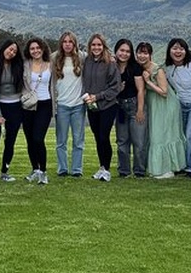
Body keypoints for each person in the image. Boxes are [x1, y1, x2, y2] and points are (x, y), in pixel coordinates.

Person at [137, 42, 185, 179]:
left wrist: (148, 82)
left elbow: (164, 92)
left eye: (145, 53)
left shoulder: (157, 70)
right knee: (154, 134)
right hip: (153, 104)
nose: (142, 56)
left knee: (163, 134)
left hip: (165, 104)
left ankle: (167, 168)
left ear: (150, 55)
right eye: (140, 52)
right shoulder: (139, 68)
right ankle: (156, 167)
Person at [82, 33, 121, 182]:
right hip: (92, 106)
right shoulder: (87, 61)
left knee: (104, 136)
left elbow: (115, 87)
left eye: (99, 45)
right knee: (98, 137)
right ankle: (101, 167)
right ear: (89, 47)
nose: (96, 47)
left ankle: (107, 169)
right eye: (93, 45)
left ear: (103, 46)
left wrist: (98, 96)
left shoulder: (110, 63)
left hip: (107, 105)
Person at [165, 38, 191, 177]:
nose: (178, 51)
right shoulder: (167, 68)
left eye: (181, 48)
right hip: (179, 105)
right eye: (175, 48)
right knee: (179, 136)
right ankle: (180, 164)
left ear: (186, 51)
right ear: (169, 51)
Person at [21, 38, 55, 184]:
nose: (35, 51)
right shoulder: (24, 65)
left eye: (38, 48)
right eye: (32, 49)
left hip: (45, 104)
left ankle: (43, 171)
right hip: (28, 106)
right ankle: (35, 169)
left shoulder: (51, 64)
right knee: (29, 140)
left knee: (38, 139)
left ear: (43, 49)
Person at [52, 31, 86, 177]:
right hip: (61, 105)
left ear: (74, 43)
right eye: (65, 41)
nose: (67, 44)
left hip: (78, 105)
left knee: (78, 140)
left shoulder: (82, 57)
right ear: (61, 43)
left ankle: (77, 169)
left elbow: (100, 55)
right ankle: (62, 169)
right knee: (61, 141)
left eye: (70, 41)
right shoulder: (54, 58)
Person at [0, 39, 25, 183]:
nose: (11, 53)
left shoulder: (18, 66)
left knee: (10, 142)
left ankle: (5, 172)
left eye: (15, 51)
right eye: (10, 49)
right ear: (4, 48)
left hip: (16, 107)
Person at [114, 38, 146, 178]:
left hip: (134, 105)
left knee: (138, 141)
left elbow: (140, 90)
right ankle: (124, 170)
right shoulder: (112, 66)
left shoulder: (135, 67)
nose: (124, 54)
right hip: (119, 107)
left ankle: (139, 170)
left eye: (127, 51)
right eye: (122, 50)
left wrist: (140, 110)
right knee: (122, 141)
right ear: (116, 51)